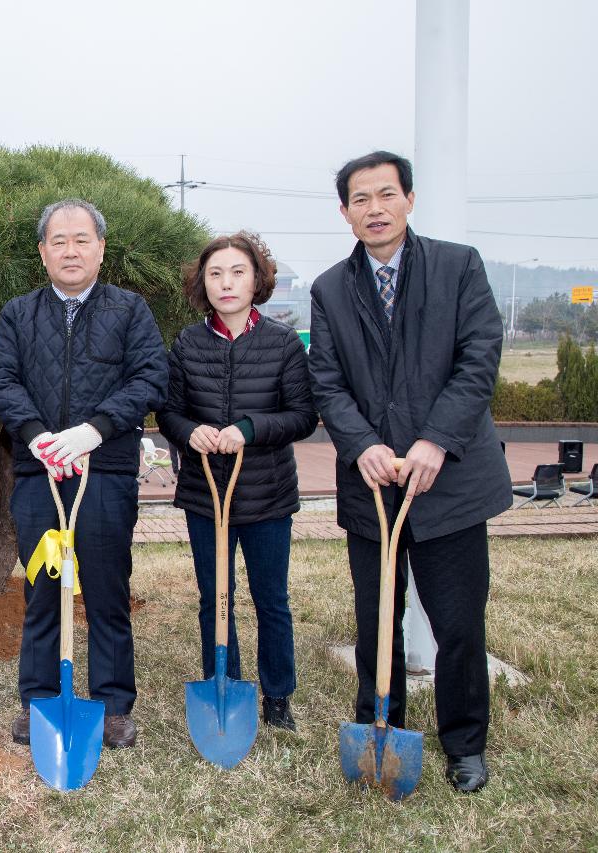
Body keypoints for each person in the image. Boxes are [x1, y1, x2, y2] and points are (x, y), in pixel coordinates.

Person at [309, 151, 510, 793]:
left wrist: (435, 441)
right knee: (377, 618)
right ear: (344, 212)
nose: (375, 208)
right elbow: (327, 381)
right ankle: (379, 724)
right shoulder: (330, 289)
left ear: (409, 200)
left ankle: (464, 743)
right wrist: (361, 444)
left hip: (446, 481)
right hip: (372, 485)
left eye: (386, 195)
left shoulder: (458, 267)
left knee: (457, 622)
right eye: (360, 199)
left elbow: (478, 358)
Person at [0, 198, 167, 749]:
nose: (70, 250)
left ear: (101, 248)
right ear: (42, 253)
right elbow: (0, 379)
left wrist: (97, 429)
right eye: (58, 241)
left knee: (108, 590)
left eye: (81, 239)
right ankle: (39, 697)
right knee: (44, 587)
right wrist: (37, 434)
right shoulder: (19, 313)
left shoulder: (130, 309)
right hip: (40, 476)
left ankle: (112, 704)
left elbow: (151, 377)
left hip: (104, 472)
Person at [156, 231, 317, 731]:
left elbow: (303, 416)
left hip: (267, 495)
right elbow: (168, 412)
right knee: (215, 597)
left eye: (238, 272)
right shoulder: (188, 342)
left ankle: (277, 695)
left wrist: (248, 430)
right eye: (215, 274)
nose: (227, 283)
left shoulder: (282, 342)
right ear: (203, 284)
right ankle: (223, 685)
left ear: (257, 279)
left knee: (271, 599)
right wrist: (191, 433)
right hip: (206, 496)